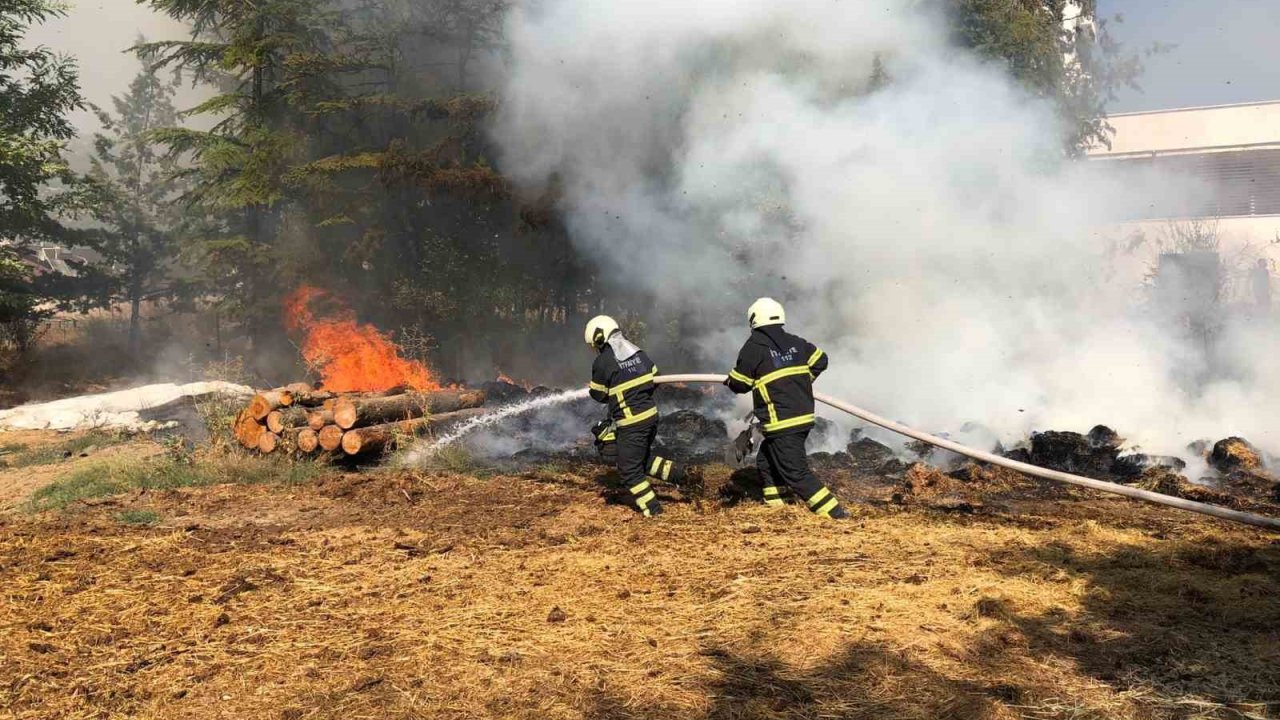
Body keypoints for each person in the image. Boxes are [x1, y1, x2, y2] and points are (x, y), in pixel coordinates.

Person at [725, 298, 848, 519]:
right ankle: (780, 508)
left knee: (797, 473)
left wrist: (730, 381)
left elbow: (739, 384)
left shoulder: (754, 348)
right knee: (767, 460)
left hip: (781, 421)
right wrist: (800, 383)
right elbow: (821, 360)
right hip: (801, 416)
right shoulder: (796, 343)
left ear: (753, 319)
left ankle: (836, 515)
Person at [585, 315, 686, 516]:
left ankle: (654, 511)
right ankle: (683, 475)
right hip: (650, 417)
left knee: (629, 471)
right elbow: (655, 377)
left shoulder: (602, 361)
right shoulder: (638, 353)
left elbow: (598, 394)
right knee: (639, 459)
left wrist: (602, 390)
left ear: (598, 337)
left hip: (632, 423)